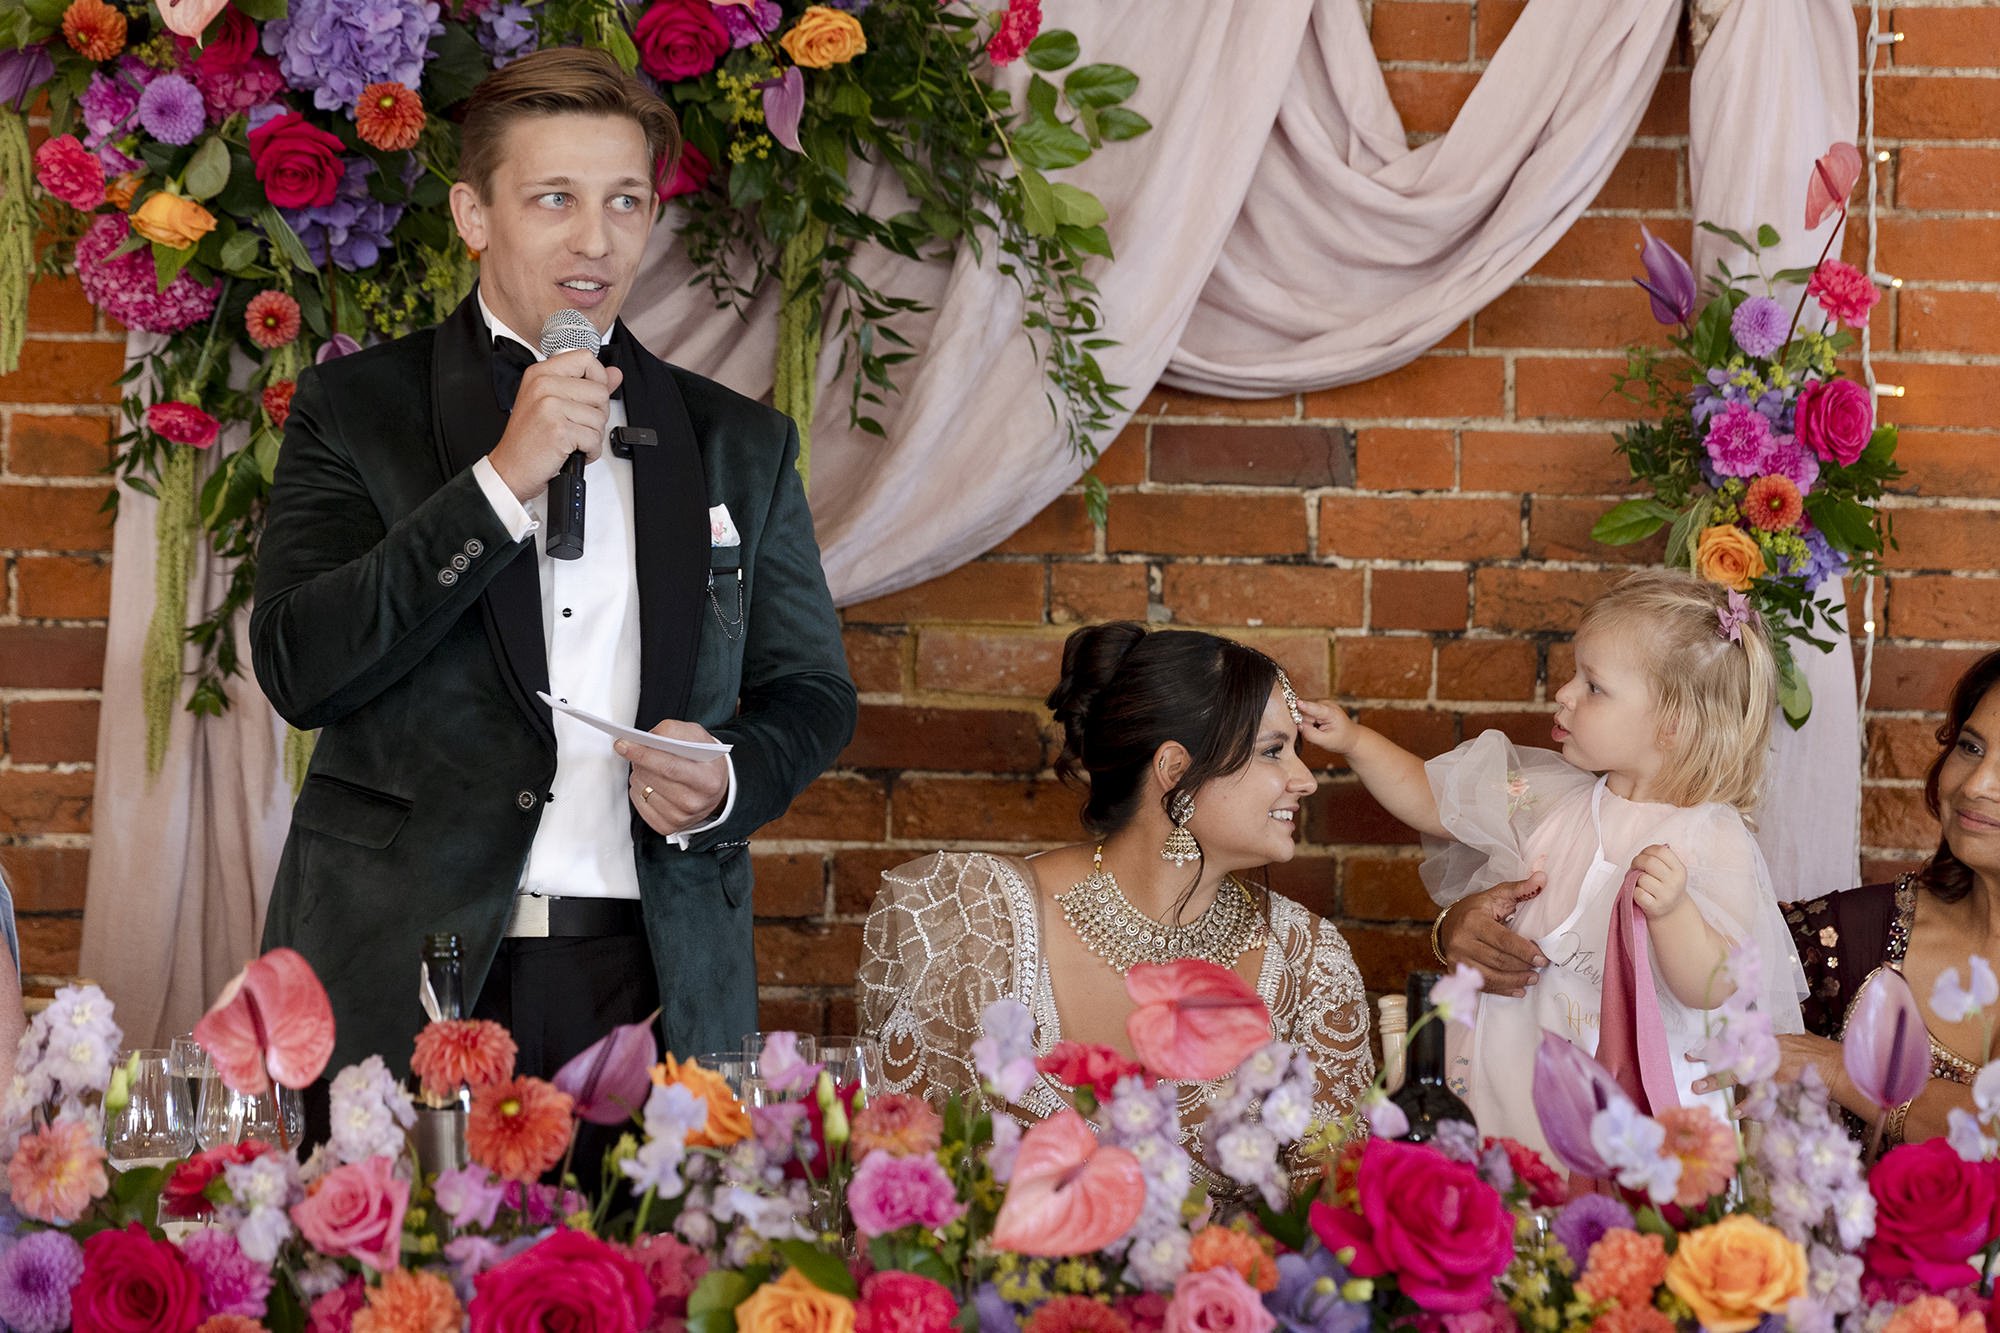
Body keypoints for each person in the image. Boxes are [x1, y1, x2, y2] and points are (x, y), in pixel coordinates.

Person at [250, 49, 856, 1104]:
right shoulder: (353, 411)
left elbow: (813, 693)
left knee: (654, 1273)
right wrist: (497, 483)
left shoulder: (738, 443)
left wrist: (726, 778)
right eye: (554, 199)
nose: (595, 238)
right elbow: (301, 668)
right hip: (405, 970)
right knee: (393, 1276)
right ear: (474, 214)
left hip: (654, 972)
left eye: (625, 201)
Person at [1303, 570, 1805, 1151]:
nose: (1564, 693)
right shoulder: (1549, 796)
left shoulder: (1709, 838)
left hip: (1623, 1105)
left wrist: (1673, 915)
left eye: (1594, 686)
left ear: (1672, 725)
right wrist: (1354, 742)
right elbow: (1437, 801)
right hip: (1506, 1070)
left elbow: (1714, 985)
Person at [858, 623, 1375, 1152]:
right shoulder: (977, 920)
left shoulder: (1307, 960)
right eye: (1273, 751)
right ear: (1175, 768)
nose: (1306, 779)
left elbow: (1336, 1198)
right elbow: (898, 1172)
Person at [1697, 649, 2000, 1148]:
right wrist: (1534, 937)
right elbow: (1684, 975)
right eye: (1970, 747)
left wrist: (1842, 1070)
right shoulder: (1851, 935)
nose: (1976, 784)